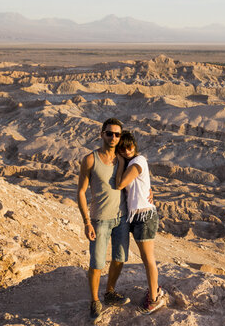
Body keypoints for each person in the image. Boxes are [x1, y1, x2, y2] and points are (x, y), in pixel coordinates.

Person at [77, 118, 131, 322]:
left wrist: (149, 191)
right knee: (97, 262)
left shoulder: (122, 159)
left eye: (117, 134)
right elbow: (81, 192)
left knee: (120, 258)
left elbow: (138, 177)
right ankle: (95, 300)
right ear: (102, 134)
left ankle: (110, 292)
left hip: (121, 218)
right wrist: (86, 222)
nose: (113, 137)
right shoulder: (90, 160)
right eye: (109, 133)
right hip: (99, 219)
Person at [115, 131, 166, 314]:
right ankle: (155, 291)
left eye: (129, 147)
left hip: (144, 217)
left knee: (148, 259)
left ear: (134, 146)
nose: (127, 151)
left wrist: (120, 161)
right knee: (145, 259)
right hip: (135, 217)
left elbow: (120, 184)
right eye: (122, 148)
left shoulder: (137, 162)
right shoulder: (131, 163)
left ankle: (154, 298)